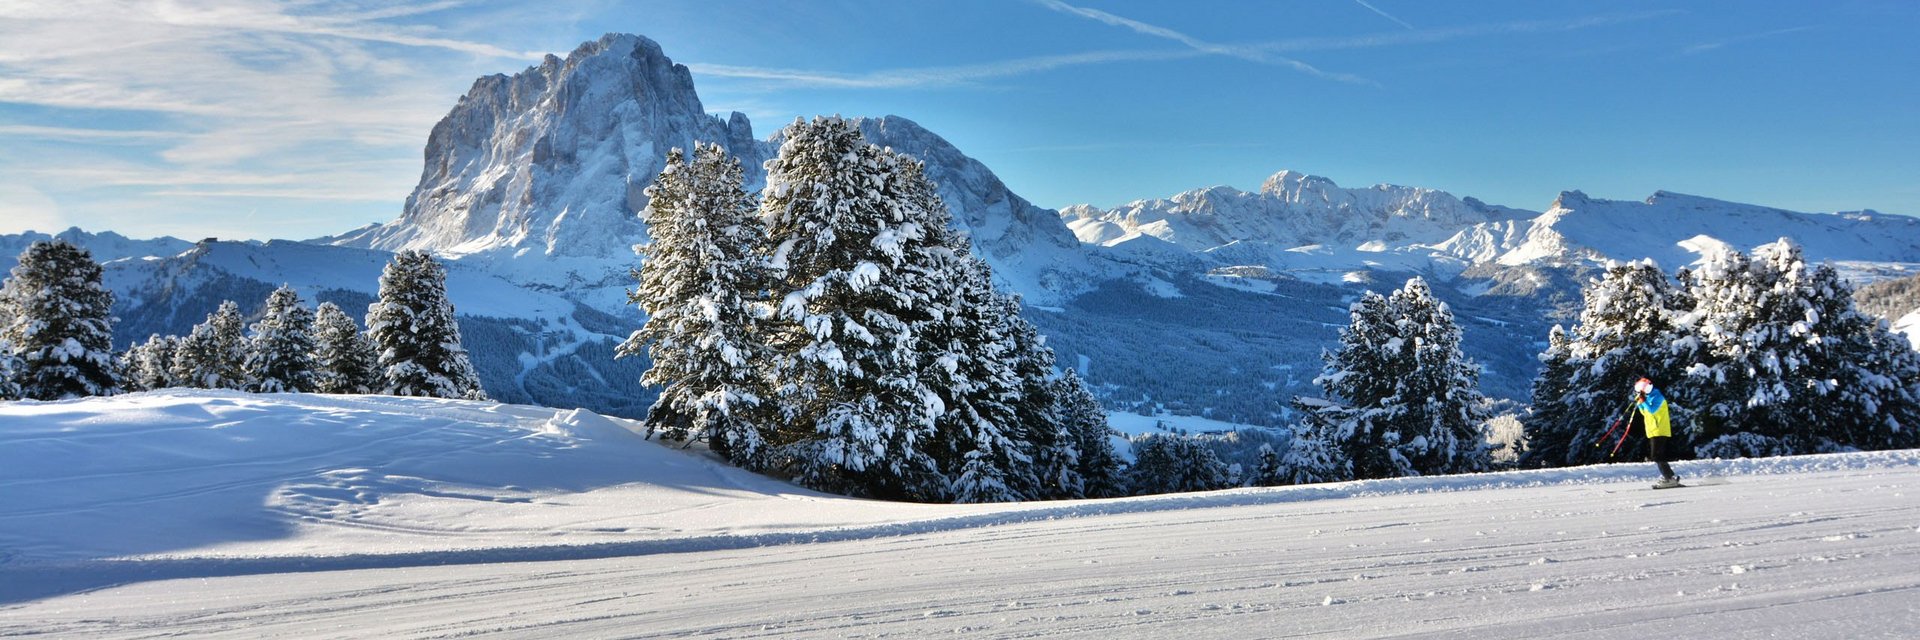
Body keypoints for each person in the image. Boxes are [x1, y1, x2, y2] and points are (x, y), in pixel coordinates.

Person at [1634, 377, 1680, 488]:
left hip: (1660, 429)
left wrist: (1643, 401)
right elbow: (1645, 412)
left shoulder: (1658, 397)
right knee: (1657, 455)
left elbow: (1652, 410)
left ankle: (1669, 478)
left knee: (1656, 455)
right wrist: (1640, 403)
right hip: (1653, 430)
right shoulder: (1649, 397)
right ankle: (1669, 477)